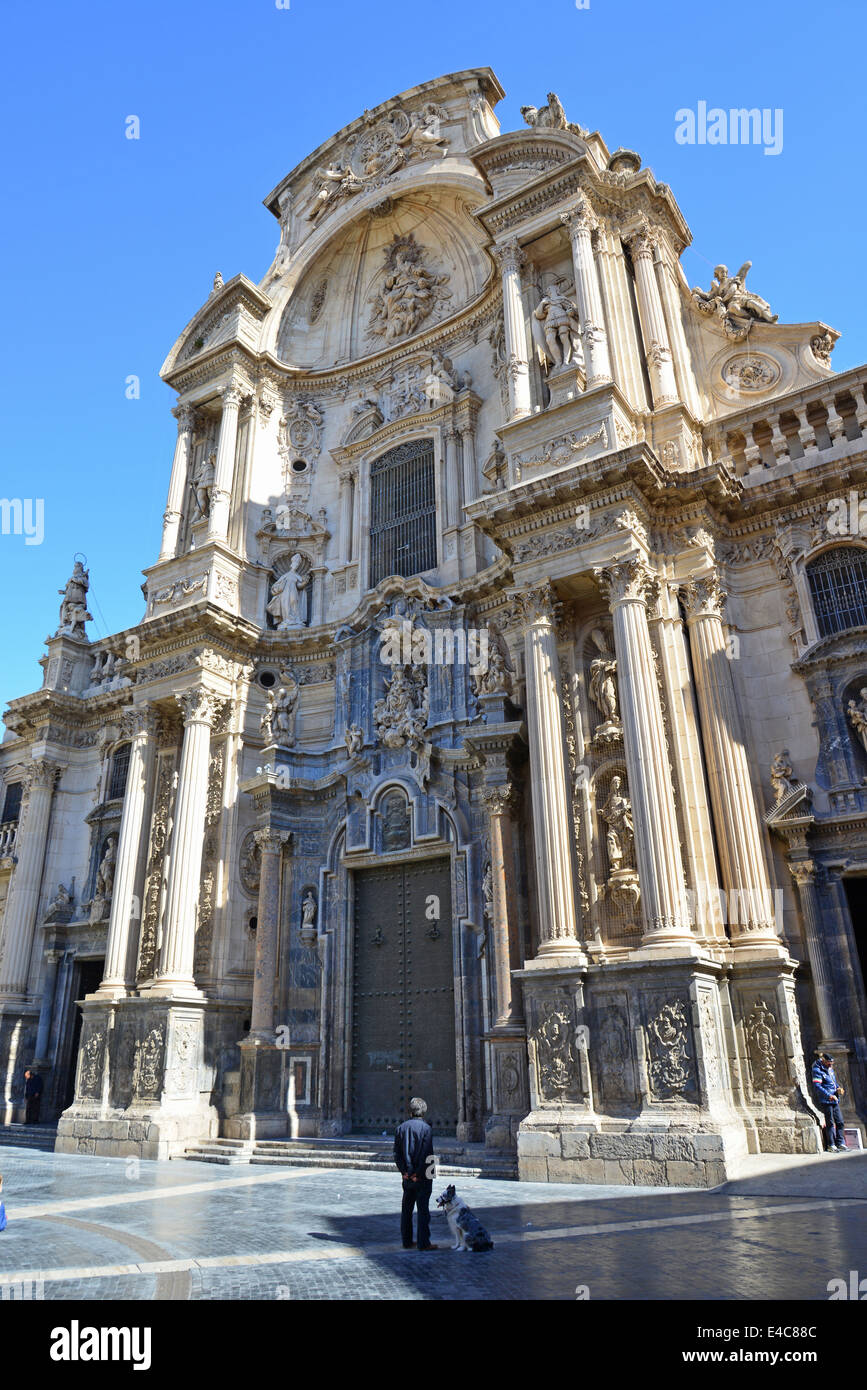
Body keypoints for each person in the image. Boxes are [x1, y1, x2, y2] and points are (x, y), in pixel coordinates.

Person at [393, 1097, 438, 1251]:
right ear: (424, 1112)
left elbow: (397, 1154)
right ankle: (423, 1242)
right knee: (423, 1210)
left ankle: (406, 1241)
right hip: (422, 1177)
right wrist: (420, 1174)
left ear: (410, 1111)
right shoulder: (426, 1129)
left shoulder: (400, 1128)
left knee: (406, 1209)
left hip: (406, 1177)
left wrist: (404, 1172)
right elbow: (427, 1154)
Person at [812, 1051, 847, 1152]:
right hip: (826, 1100)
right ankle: (831, 1144)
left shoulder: (830, 1069)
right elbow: (817, 1086)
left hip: (835, 1099)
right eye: (829, 1063)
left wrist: (838, 1088)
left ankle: (840, 1142)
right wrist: (829, 1095)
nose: (831, 1065)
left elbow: (833, 1082)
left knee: (840, 1121)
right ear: (823, 1061)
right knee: (830, 1122)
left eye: (832, 1063)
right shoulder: (817, 1070)